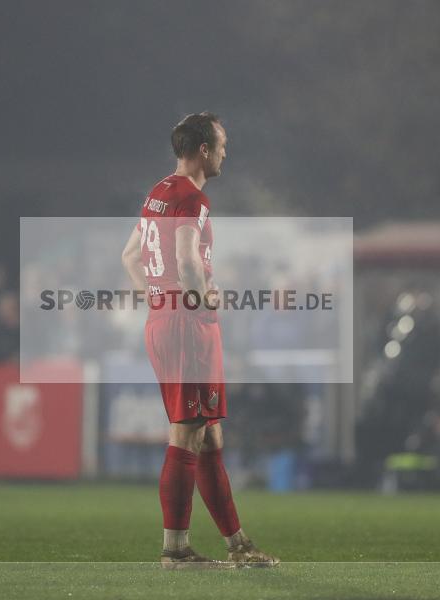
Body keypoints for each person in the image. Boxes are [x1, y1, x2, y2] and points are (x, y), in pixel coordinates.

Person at [121, 112, 279, 568]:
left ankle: (238, 545)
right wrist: (197, 301)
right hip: (188, 327)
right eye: (223, 144)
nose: (227, 152)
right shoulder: (192, 198)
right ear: (204, 150)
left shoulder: (158, 194)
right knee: (188, 433)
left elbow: (130, 256)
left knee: (208, 434)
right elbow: (188, 261)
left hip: (166, 322)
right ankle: (175, 549)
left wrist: (157, 298)